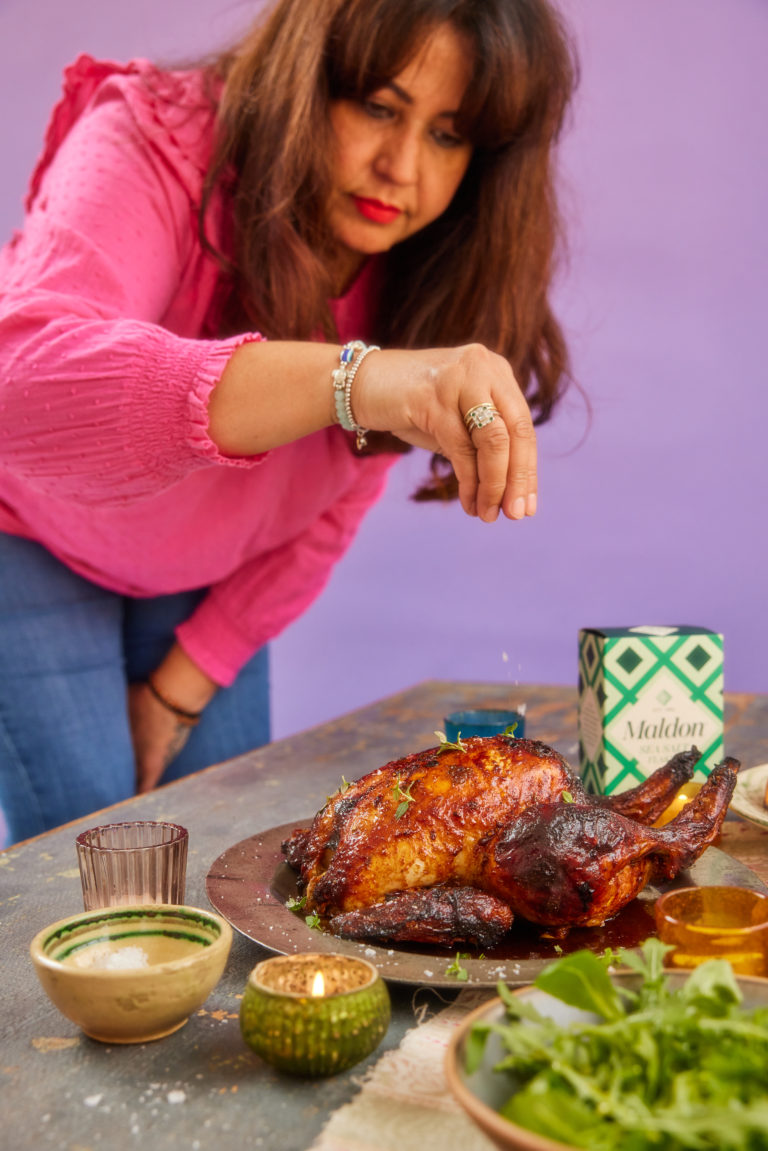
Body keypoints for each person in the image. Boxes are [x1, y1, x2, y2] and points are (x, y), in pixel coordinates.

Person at [0, 0, 576, 844]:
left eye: (448, 135)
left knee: (232, 851)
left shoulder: (425, 257)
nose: (400, 167)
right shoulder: (155, 139)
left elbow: (324, 503)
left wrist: (179, 687)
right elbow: (21, 382)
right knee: (99, 866)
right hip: (36, 532)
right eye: (378, 107)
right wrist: (359, 377)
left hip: (199, 562)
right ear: (310, 71)